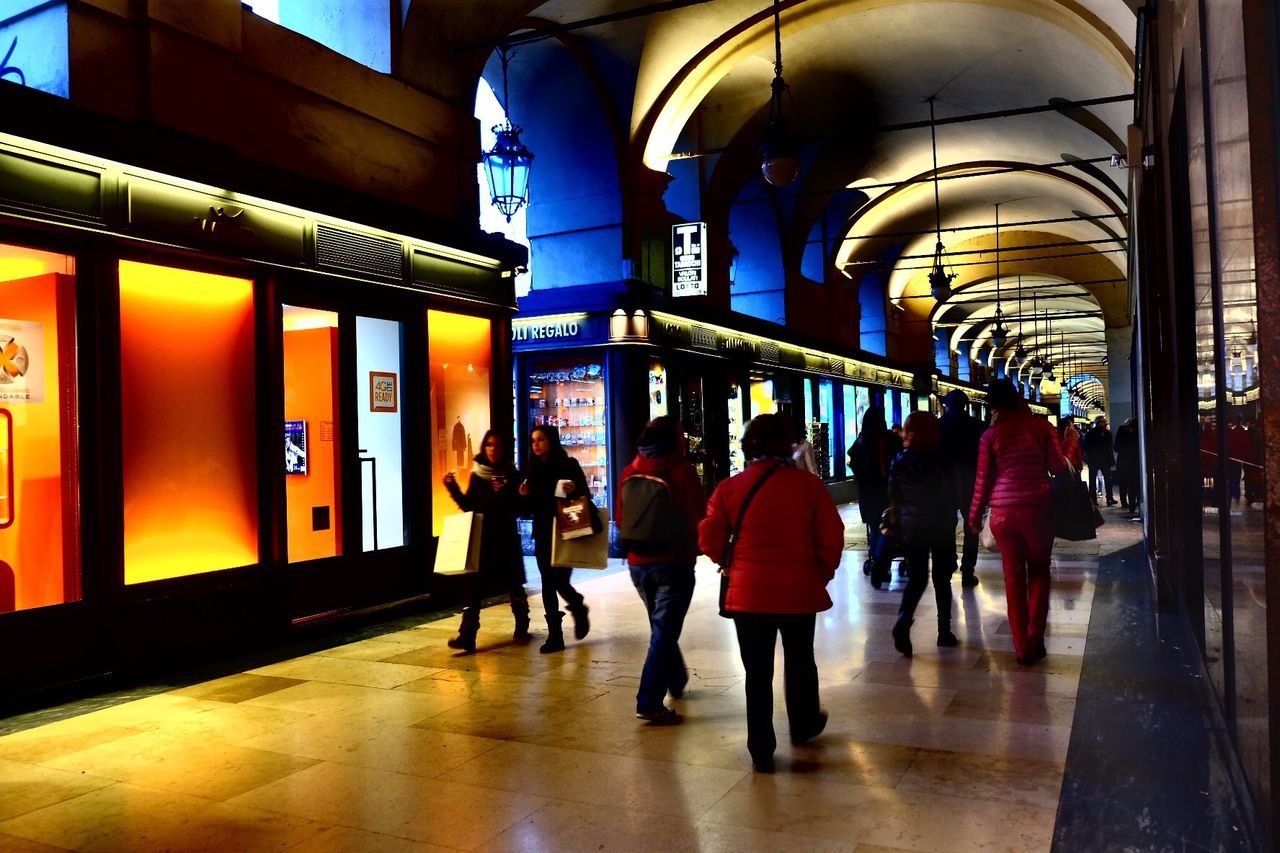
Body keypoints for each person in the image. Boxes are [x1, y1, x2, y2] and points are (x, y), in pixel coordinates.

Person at [699, 414, 845, 773]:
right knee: (800, 660)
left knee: (757, 673)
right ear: (787, 445)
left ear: (749, 446)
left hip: (748, 597)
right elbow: (831, 536)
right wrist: (819, 574)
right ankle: (804, 724)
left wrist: (729, 562)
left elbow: (708, 537)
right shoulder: (808, 487)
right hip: (797, 592)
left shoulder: (729, 488)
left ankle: (761, 749)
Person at [968, 380, 1067, 666]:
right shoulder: (1042, 428)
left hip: (1003, 515)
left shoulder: (990, 435)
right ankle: (1036, 638)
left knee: (1013, 579)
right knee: (1039, 572)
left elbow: (982, 481)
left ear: (993, 406)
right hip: (1038, 510)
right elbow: (1058, 468)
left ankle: (1021, 647)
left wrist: (974, 518)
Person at [616, 417, 706, 725]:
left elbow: (620, 517)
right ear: (674, 440)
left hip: (638, 565)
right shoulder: (682, 471)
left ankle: (676, 679)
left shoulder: (630, 471)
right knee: (664, 632)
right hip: (674, 563)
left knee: (662, 628)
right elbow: (698, 516)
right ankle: (649, 702)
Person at [442, 430, 530, 652]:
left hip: (506, 538)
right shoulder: (477, 475)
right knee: (473, 586)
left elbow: (519, 509)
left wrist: (516, 494)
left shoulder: (513, 475)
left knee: (514, 585)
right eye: (489, 445)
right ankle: (467, 635)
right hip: (482, 539)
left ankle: (522, 625)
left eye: (498, 445)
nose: (493, 449)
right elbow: (469, 506)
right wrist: (452, 487)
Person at [889, 411, 959, 655]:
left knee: (917, 578)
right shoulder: (942, 459)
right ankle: (944, 632)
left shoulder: (899, 460)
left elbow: (895, 496)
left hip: (912, 527)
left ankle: (903, 621)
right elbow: (952, 493)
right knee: (942, 578)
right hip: (941, 525)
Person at [518, 424, 593, 653]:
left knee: (559, 580)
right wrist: (523, 496)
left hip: (566, 531)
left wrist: (573, 490)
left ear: (551, 440)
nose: (536, 444)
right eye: (533, 441)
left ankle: (577, 606)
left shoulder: (568, 465)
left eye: (540, 439)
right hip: (542, 532)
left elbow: (584, 496)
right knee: (548, 583)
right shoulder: (532, 471)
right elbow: (529, 508)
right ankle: (555, 635)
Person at [848, 407, 902, 588]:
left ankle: (879, 563)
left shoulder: (860, 441)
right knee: (888, 527)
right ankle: (882, 563)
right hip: (888, 492)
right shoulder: (890, 439)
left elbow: (853, 463)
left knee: (874, 528)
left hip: (868, 494)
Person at [939, 389, 984, 588]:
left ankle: (949, 562)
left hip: (945, 482)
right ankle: (968, 571)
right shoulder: (977, 425)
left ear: (947, 405)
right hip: (970, 481)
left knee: (946, 525)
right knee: (971, 526)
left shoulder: (939, 425)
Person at [1081, 416, 1115, 505]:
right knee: (1095, 481)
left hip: (1100, 461)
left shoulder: (1106, 433)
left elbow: (1109, 448)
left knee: (1106, 480)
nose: (1106, 423)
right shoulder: (1093, 433)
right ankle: (1095, 499)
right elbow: (1086, 447)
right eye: (1103, 422)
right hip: (1096, 460)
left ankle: (1108, 498)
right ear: (1098, 423)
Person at [1113, 418, 1140, 511]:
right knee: (1133, 484)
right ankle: (1133, 504)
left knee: (1123, 483)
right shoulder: (1137, 434)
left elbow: (1116, 447)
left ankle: (1124, 502)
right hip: (1134, 461)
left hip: (1123, 461)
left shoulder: (1121, 433)